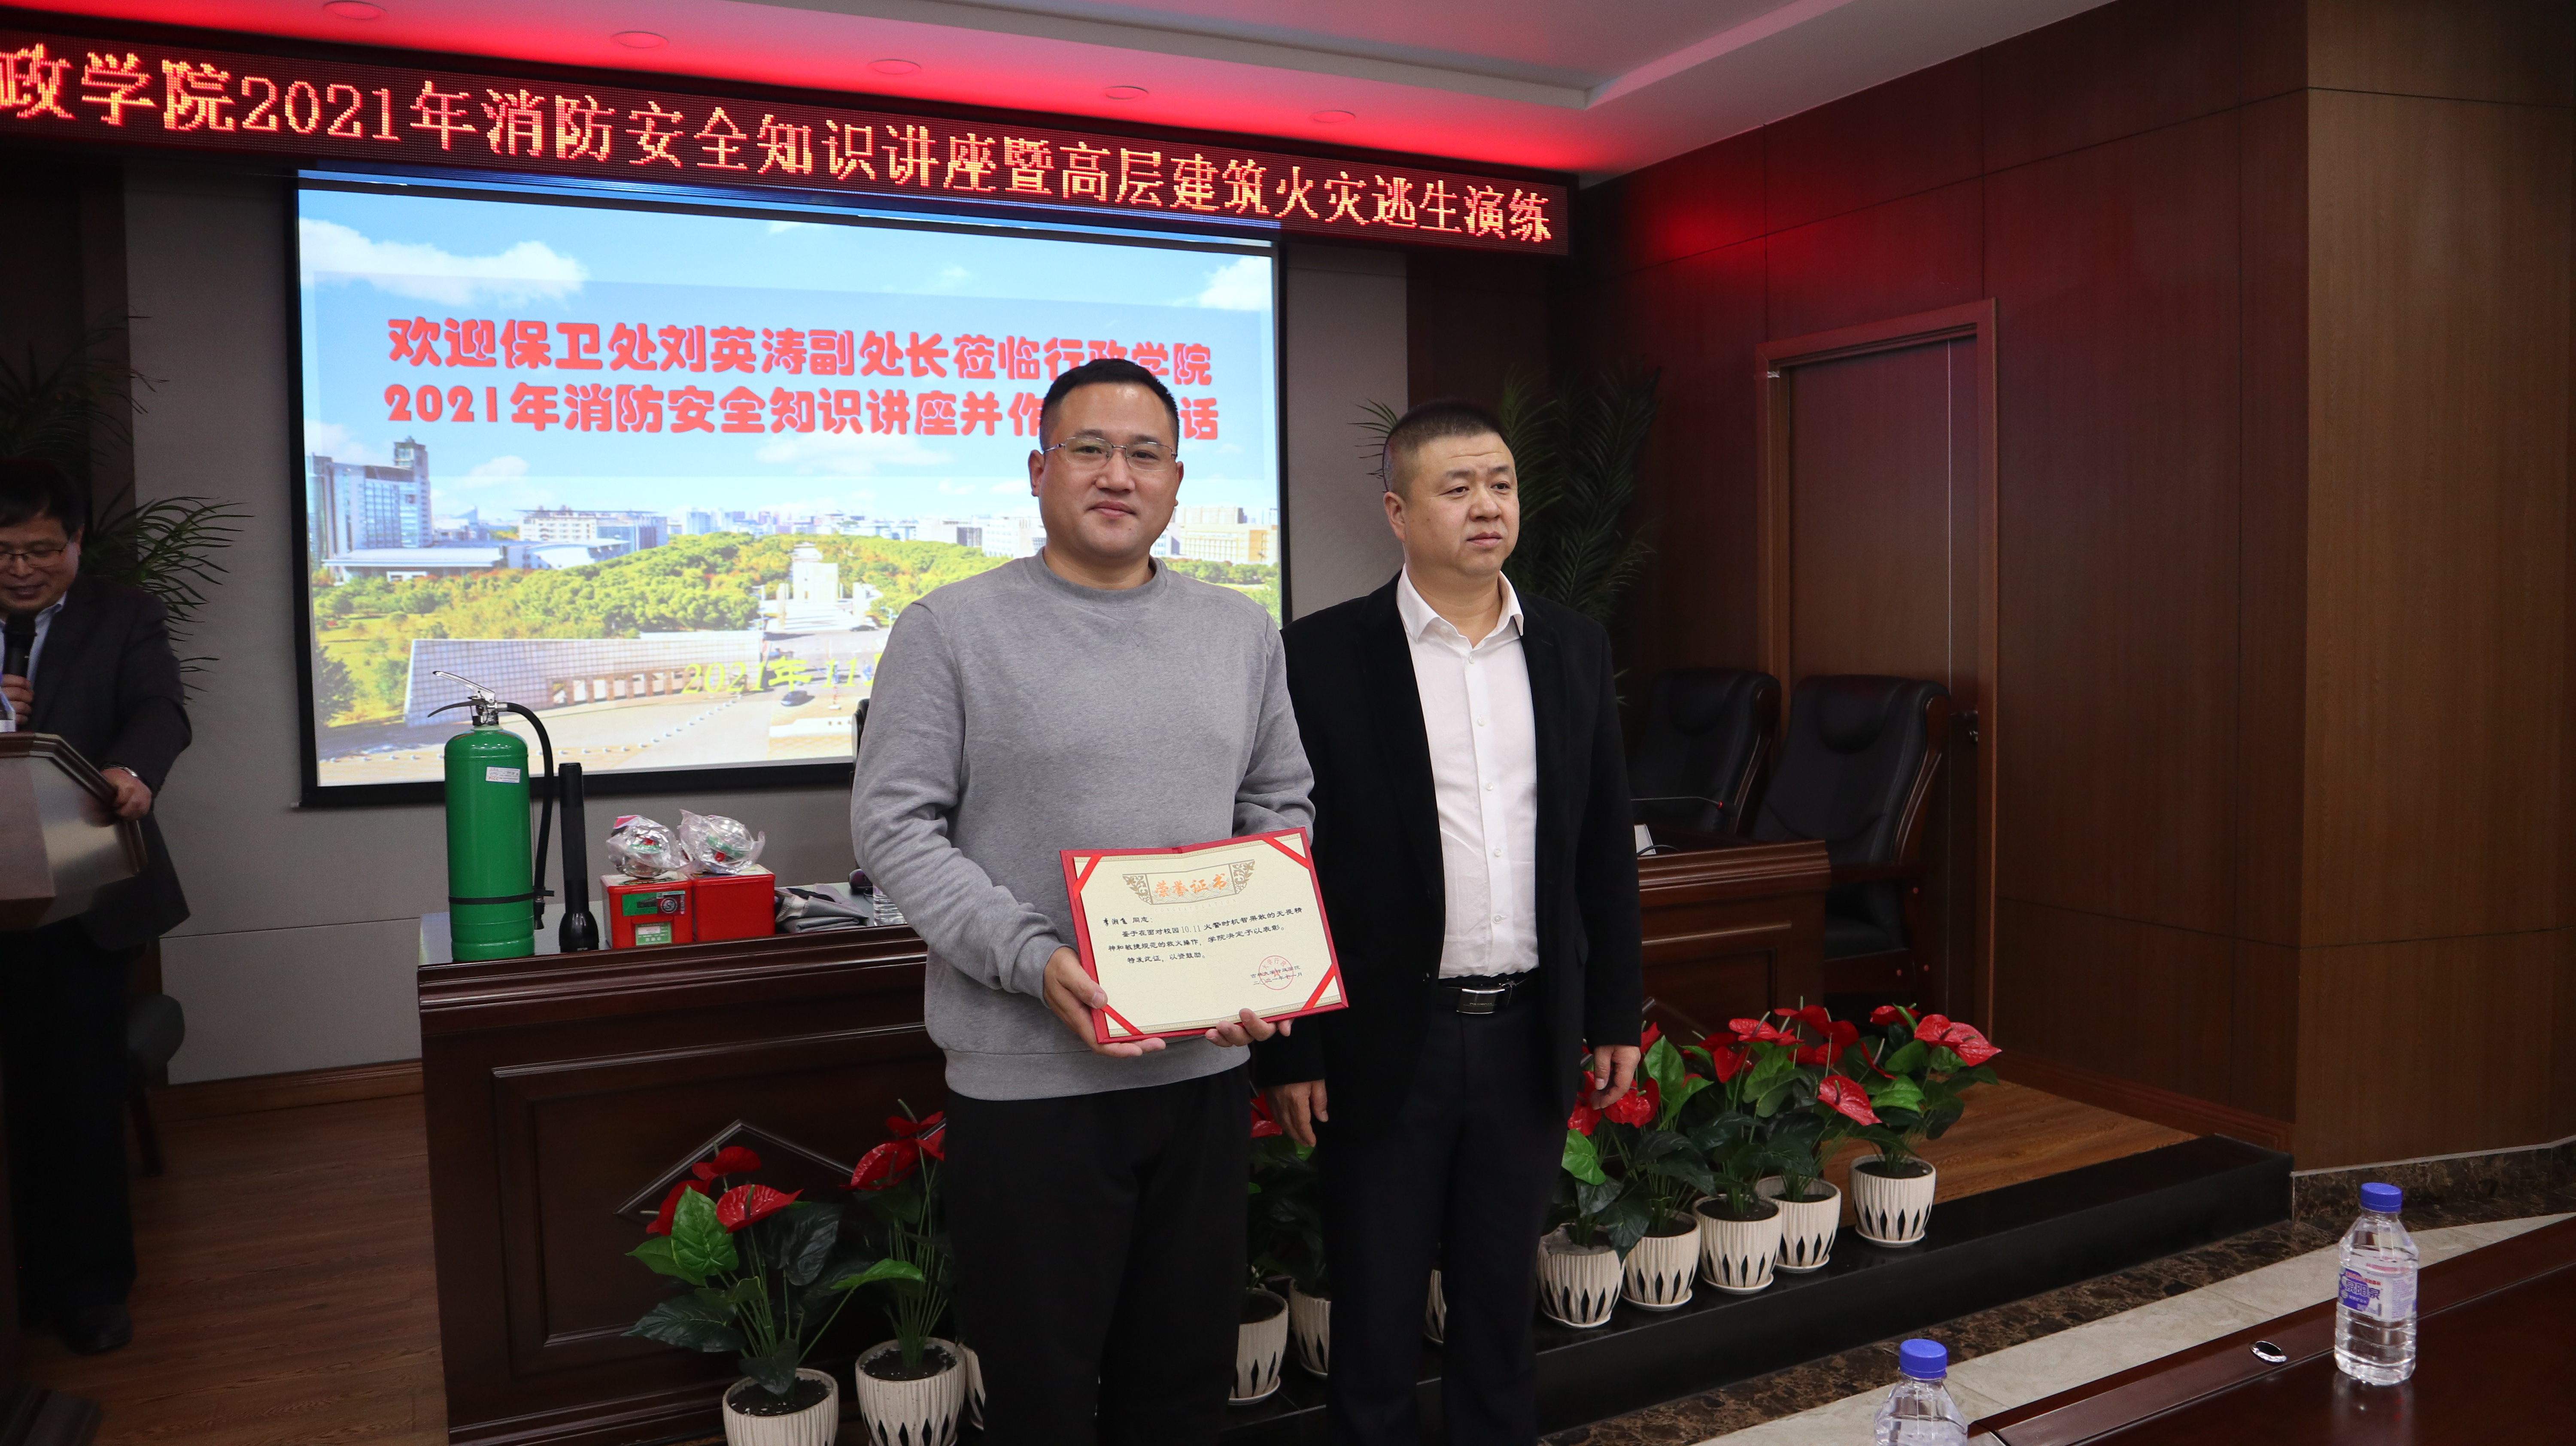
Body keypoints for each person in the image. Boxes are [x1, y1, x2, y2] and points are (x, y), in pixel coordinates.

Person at [850, 358, 1312, 1444]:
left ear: (1177, 480)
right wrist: (1030, 956)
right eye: (1090, 449)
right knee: (1043, 1397)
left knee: (1182, 1385)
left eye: (1146, 454)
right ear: (1038, 469)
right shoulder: (950, 627)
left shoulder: (1241, 631)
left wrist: (1256, 953)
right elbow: (894, 825)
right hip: (1030, 1086)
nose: (1118, 474)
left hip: (1203, 1075)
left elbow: (1278, 798)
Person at [1250, 400, 1643, 1445]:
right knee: (1374, 1308)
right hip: (1384, 1038)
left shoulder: (1571, 644)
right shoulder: (1320, 655)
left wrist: (1615, 1012)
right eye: (1457, 487)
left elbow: (1602, 844)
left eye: (1502, 484)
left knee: (1501, 1302)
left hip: (1527, 1028)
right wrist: (1294, 1041)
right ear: (1397, 510)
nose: (1487, 506)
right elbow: (1285, 855)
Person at [0, 457, 191, 1356]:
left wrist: (132, 769)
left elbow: (162, 710)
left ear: (77, 543)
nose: (21, 569)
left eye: (42, 549)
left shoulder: (125, 613)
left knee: (77, 1096)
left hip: (86, 893)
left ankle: (87, 1289)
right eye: (3, 551)